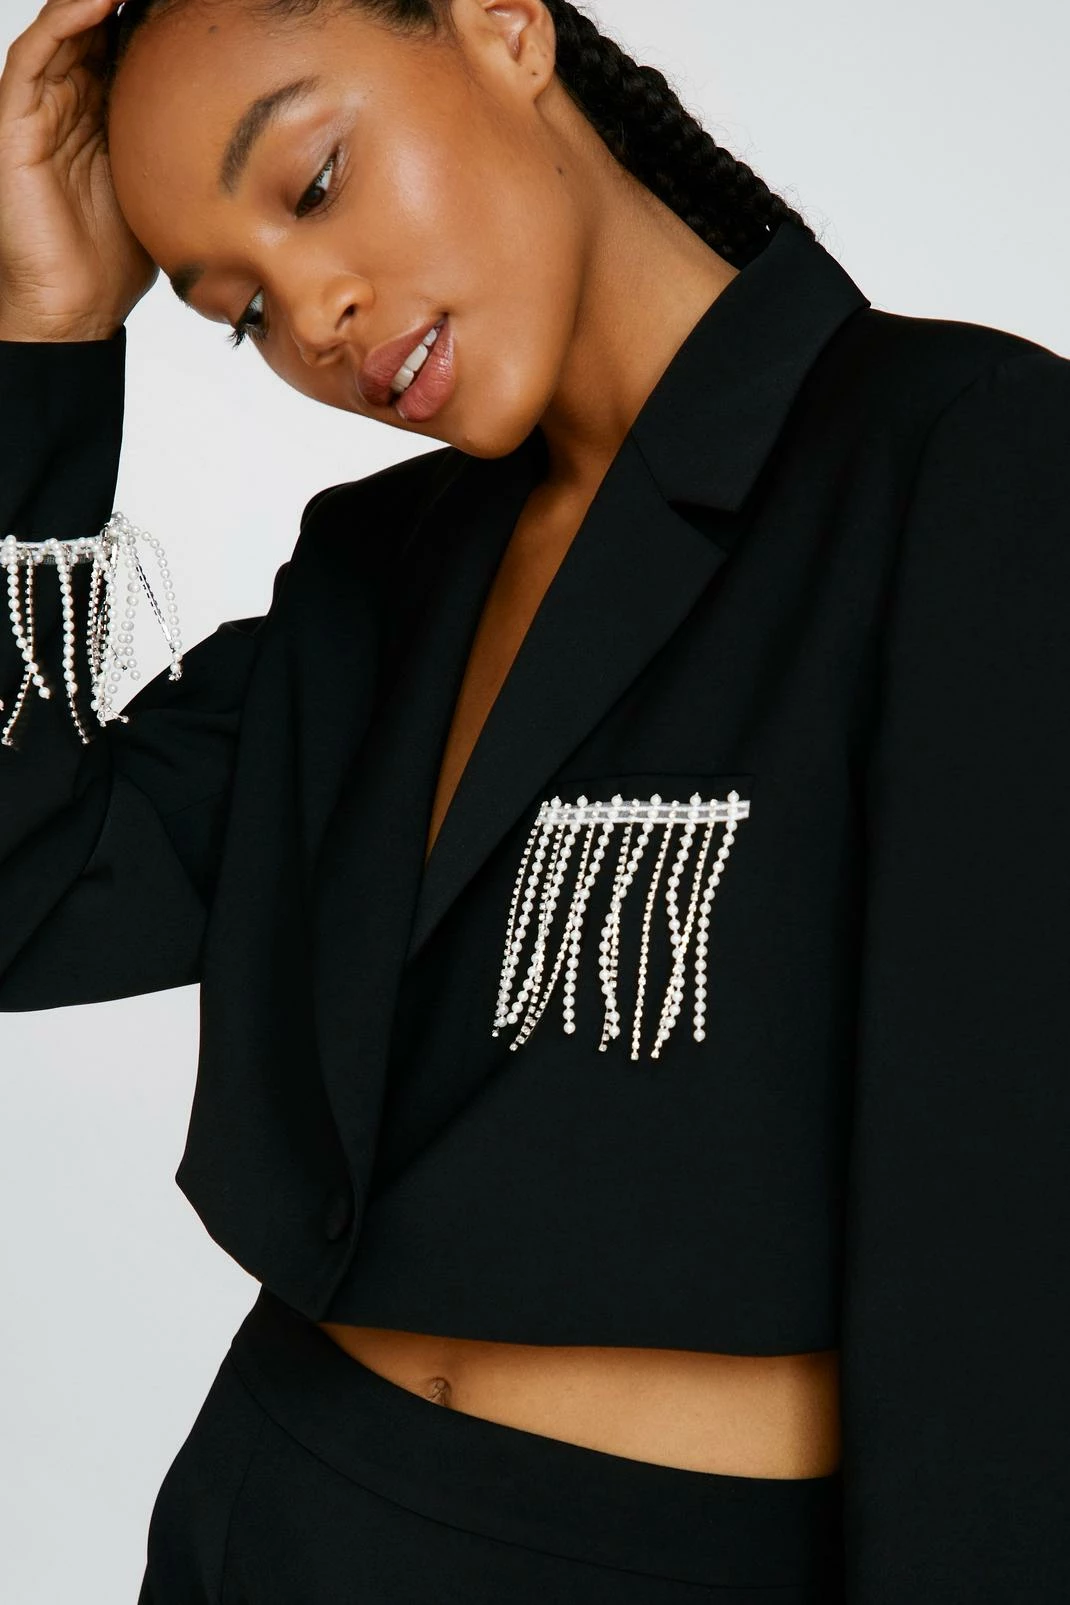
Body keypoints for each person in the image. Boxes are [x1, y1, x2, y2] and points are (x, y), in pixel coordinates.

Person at [1, 0, 1067, 1600]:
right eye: (240, 312)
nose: (314, 315)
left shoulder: (962, 463)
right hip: (267, 1515)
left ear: (503, 28)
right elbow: (27, 893)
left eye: (312, 183)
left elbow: (999, 1245)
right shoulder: (375, 574)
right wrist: (43, 338)